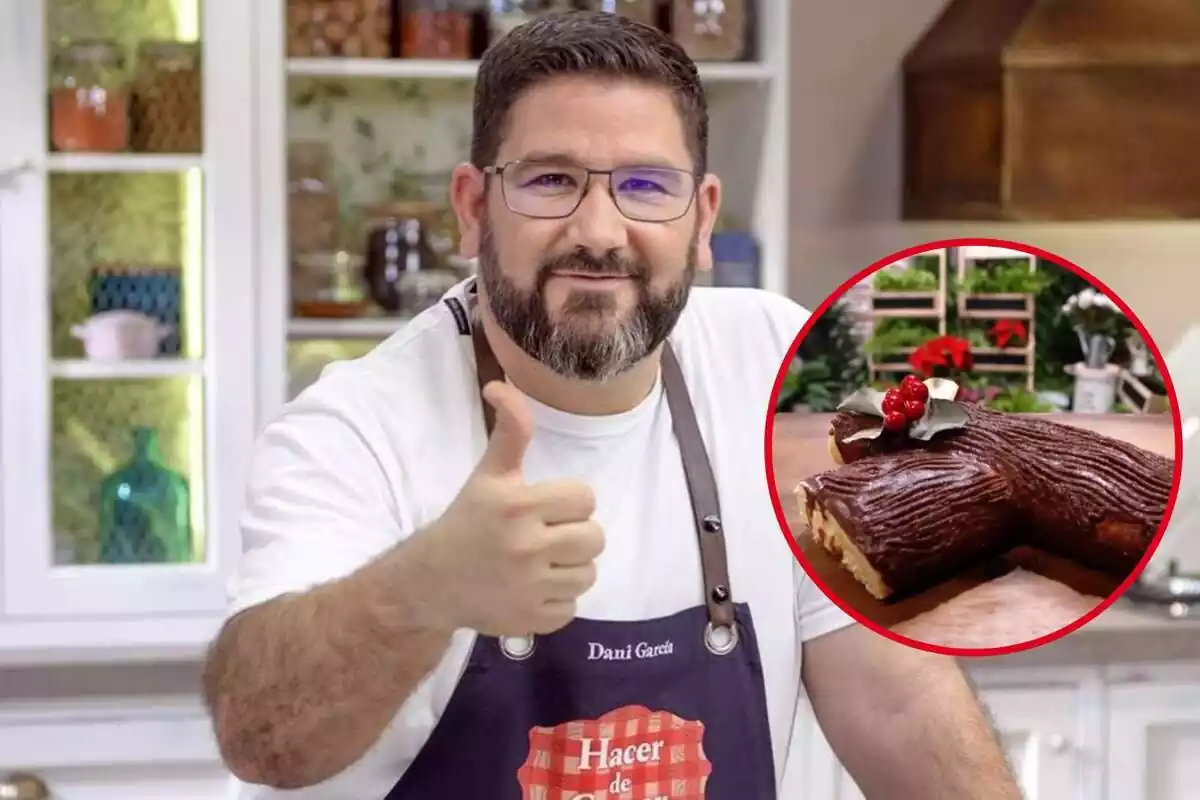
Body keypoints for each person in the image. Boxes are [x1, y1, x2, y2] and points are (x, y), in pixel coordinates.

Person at [202, 11, 1023, 800]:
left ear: (701, 218)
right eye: (551, 180)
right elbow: (264, 739)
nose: (599, 229)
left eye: (644, 184)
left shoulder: (777, 368)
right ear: (472, 208)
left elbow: (898, 700)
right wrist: (424, 589)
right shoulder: (353, 432)